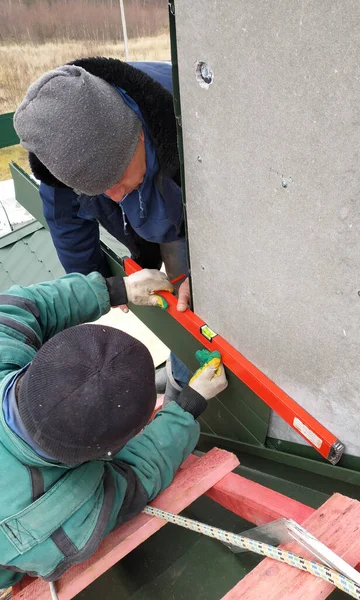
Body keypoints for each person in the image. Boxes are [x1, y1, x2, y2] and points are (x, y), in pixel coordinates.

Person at [0, 268, 227, 587]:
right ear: (108, 451)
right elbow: (136, 477)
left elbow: (23, 306)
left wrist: (115, 289)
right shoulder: (58, 519)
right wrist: (189, 406)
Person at [13, 57, 192, 401]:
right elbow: (67, 225)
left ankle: (182, 386)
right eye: (97, 190)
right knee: (169, 297)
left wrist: (199, 274)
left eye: (116, 179)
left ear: (137, 134)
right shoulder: (61, 157)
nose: (113, 195)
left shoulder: (185, 114)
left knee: (192, 300)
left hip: (194, 203)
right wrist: (101, 283)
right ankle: (175, 368)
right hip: (151, 207)